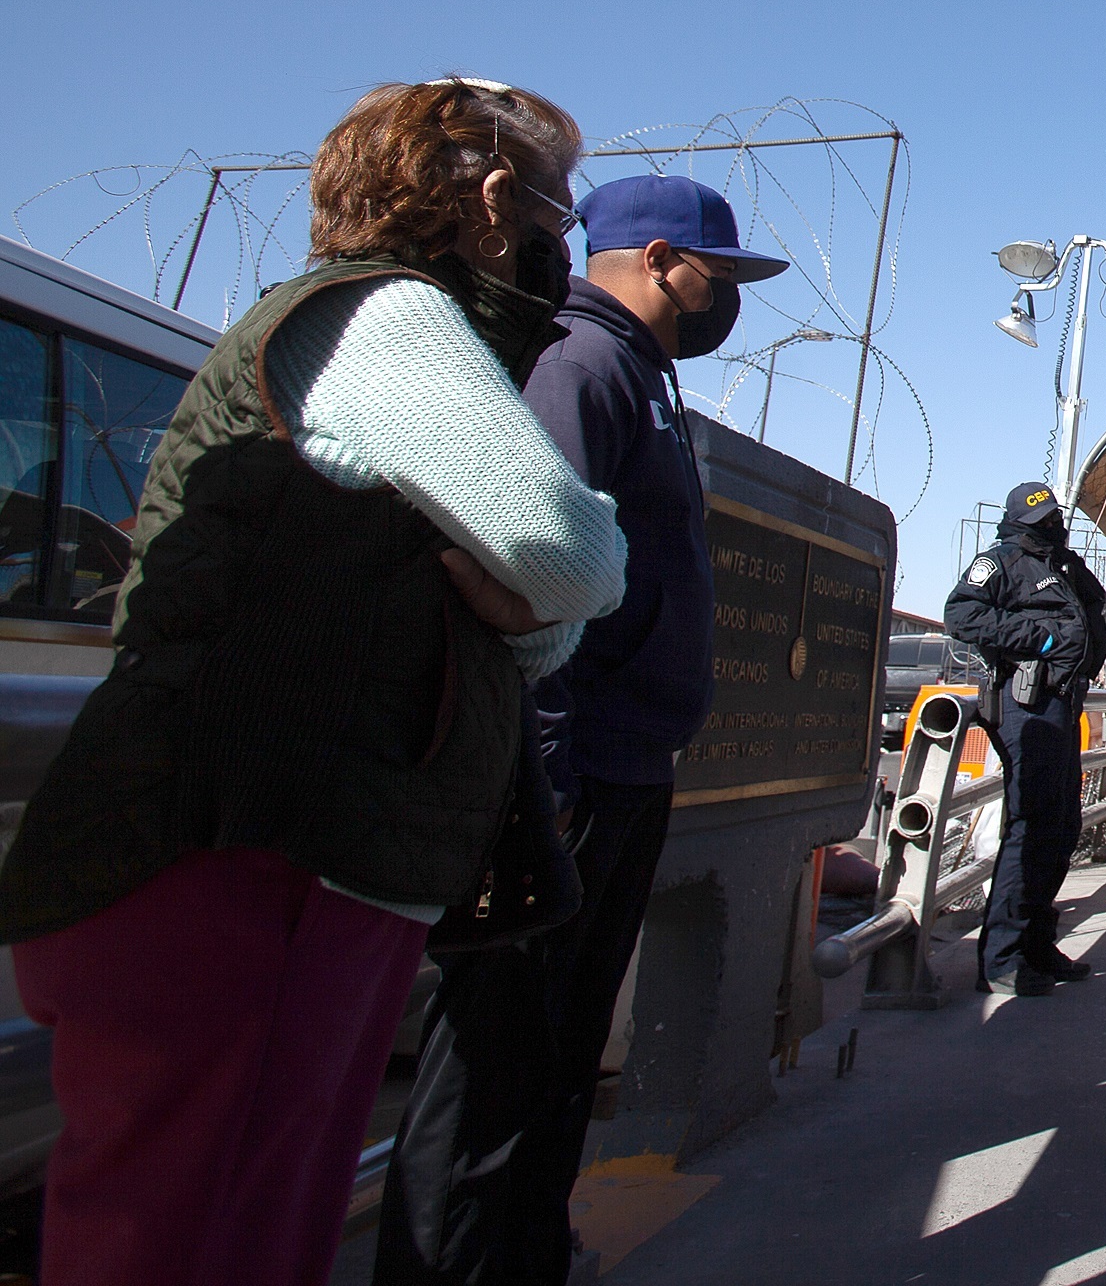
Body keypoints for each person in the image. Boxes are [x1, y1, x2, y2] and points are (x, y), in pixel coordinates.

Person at [0, 79, 629, 1286]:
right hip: (242, 861)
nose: (566, 235)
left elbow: (526, 594)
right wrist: (546, 609)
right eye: (560, 202)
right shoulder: (386, 316)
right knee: (209, 1232)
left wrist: (531, 622)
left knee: (237, 1221)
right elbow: (570, 549)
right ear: (493, 198)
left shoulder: (374, 323)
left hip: (266, 856)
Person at [376, 172, 787, 1283]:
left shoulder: (638, 373)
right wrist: (546, 783)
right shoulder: (582, 365)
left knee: (559, 1057)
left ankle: (527, 1250)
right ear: (659, 259)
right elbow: (533, 573)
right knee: (496, 1072)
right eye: (719, 274)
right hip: (575, 775)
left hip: (623, 768)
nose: (726, 297)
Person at [946, 480, 1106, 995]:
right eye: (1045, 522)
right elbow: (961, 614)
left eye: (1055, 520)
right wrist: (1039, 638)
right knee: (1031, 824)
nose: (1055, 528)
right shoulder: (1003, 561)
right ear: (1025, 523)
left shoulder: (1061, 563)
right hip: (1026, 706)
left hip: (1061, 704)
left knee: (1061, 824)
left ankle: (1037, 944)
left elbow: (1092, 613)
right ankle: (1001, 958)